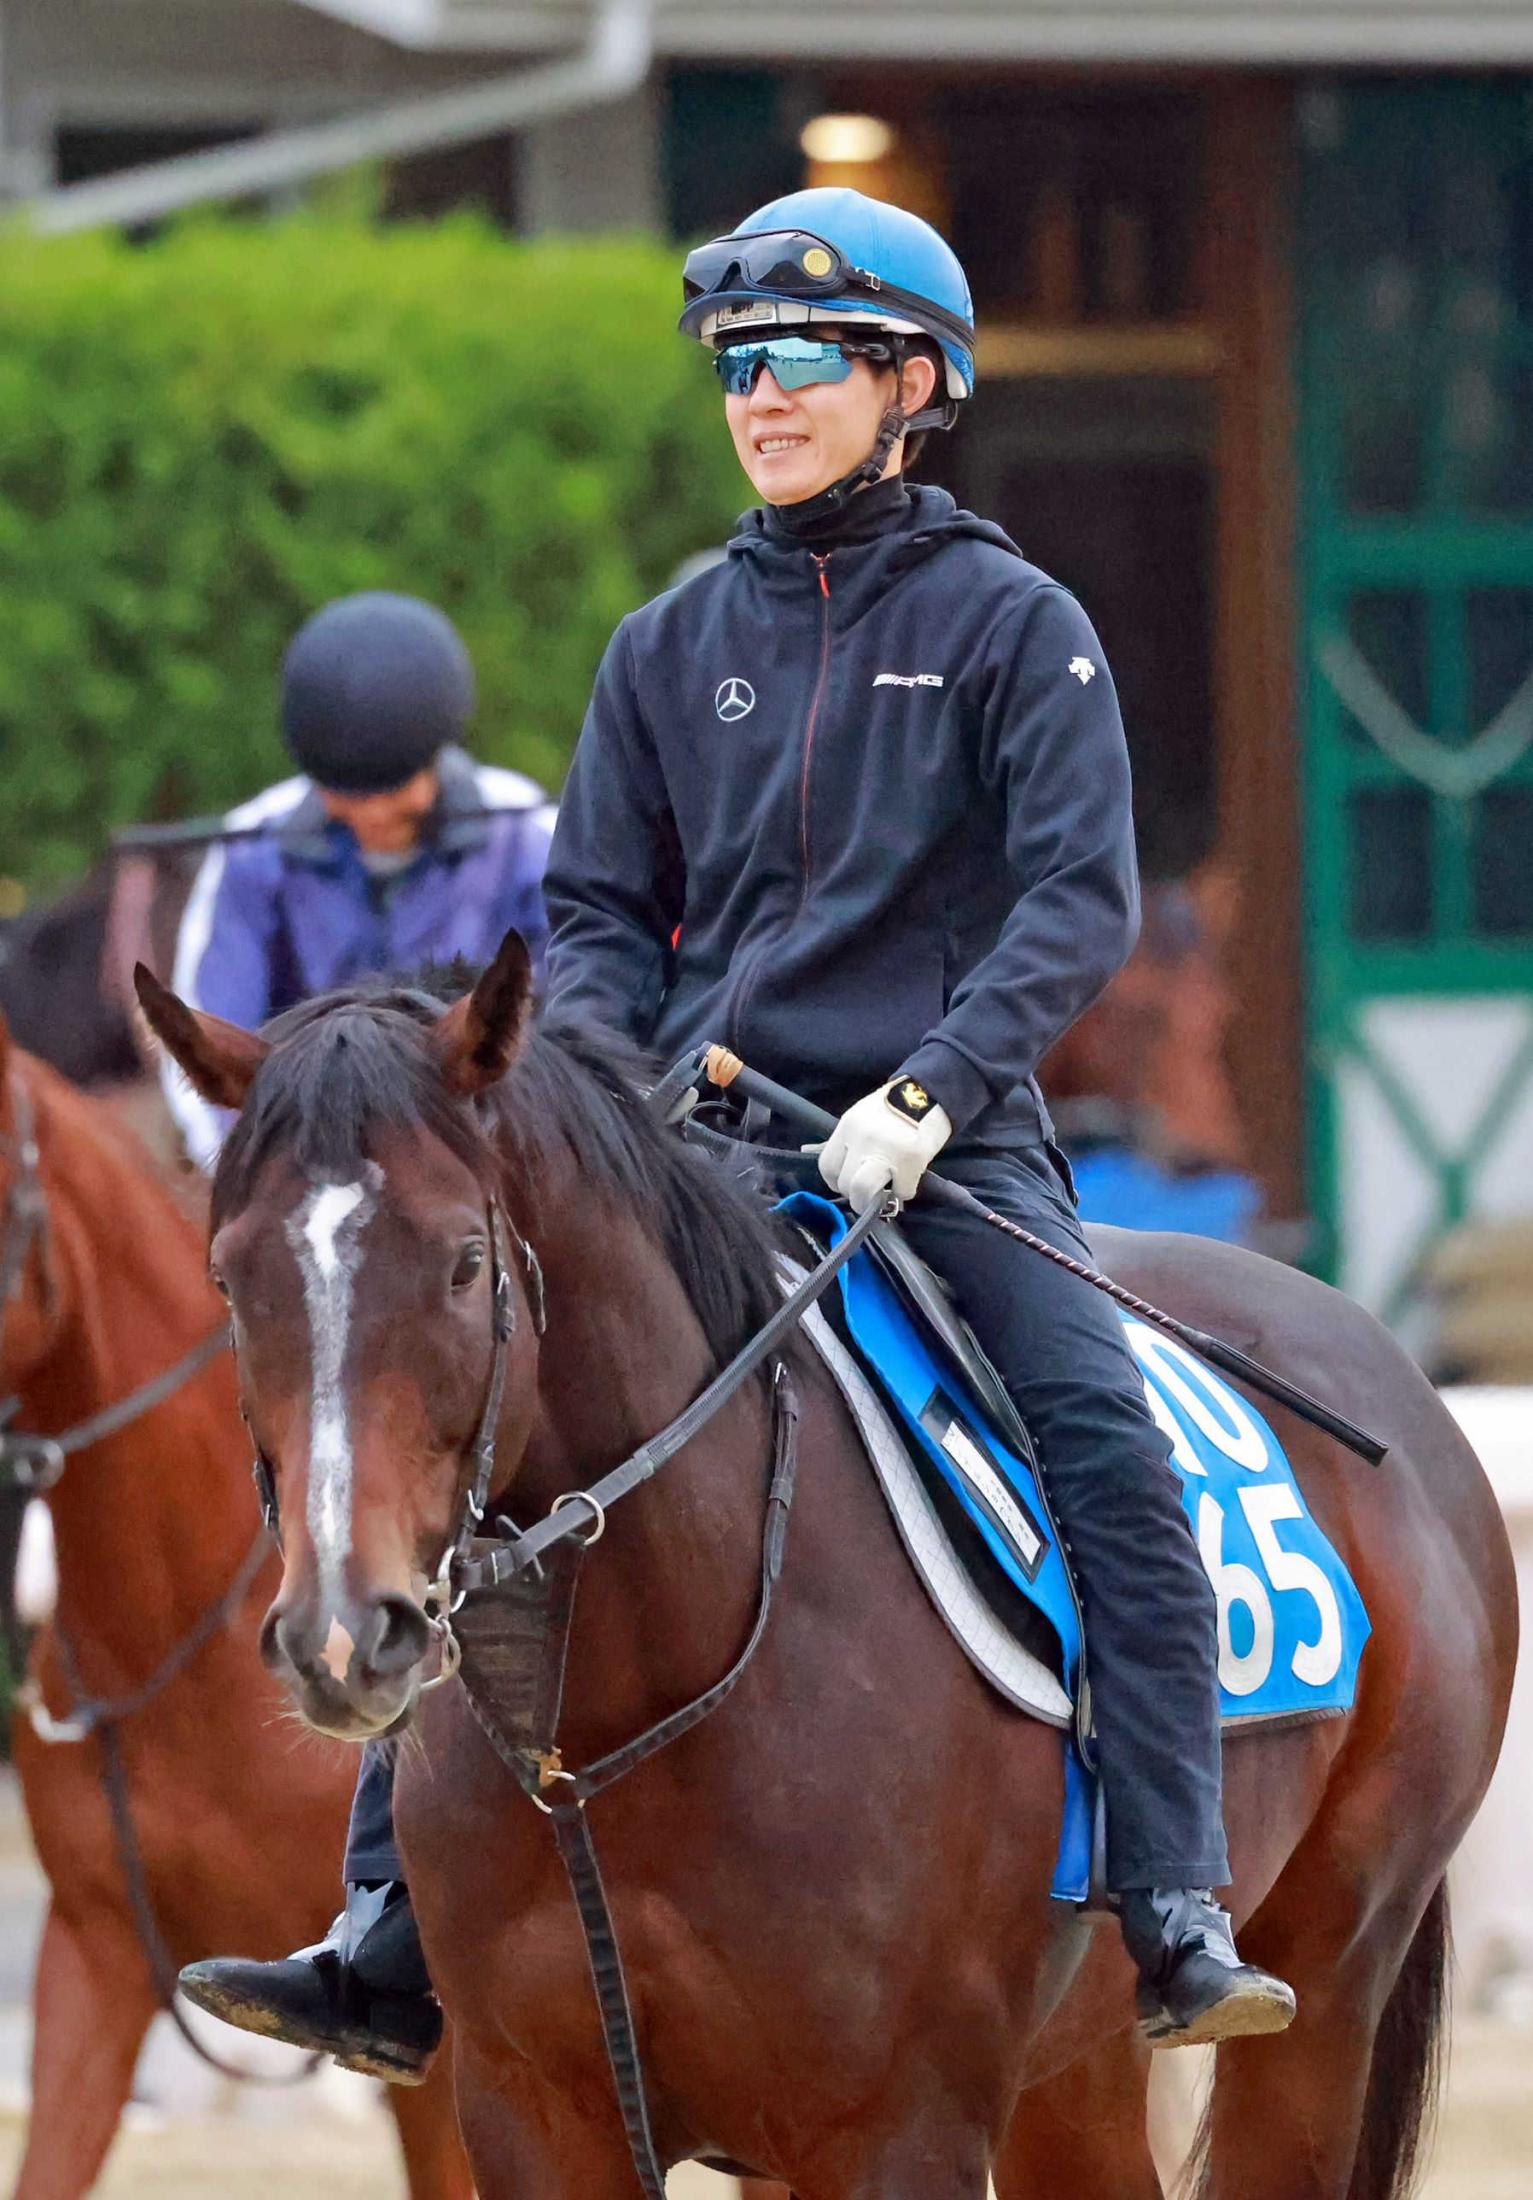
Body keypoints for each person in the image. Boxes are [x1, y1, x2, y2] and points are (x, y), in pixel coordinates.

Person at [182, 190, 1295, 2076]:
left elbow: (1070, 901)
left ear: (911, 382)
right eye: (735, 369)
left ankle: (1172, 1895)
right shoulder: (663, 642)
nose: (757, 399)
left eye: (796, 363)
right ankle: (381, 1924)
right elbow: (602, 919)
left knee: (1101, 1438)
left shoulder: (1017, 628)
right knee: (483, 1436)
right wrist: (604, 1085)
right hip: (692, 1144)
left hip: (939, 1146)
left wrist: (927, 1091)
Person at [163, 590, 557, 1171]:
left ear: (435, 756)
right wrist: (251, 1161)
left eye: (395, 795)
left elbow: (577, 1002)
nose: (374, 816)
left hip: (492, 1145)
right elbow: (205, 1023)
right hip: (309, 1151)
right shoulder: (251, 851)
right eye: (348, 797)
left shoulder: (525, 835)